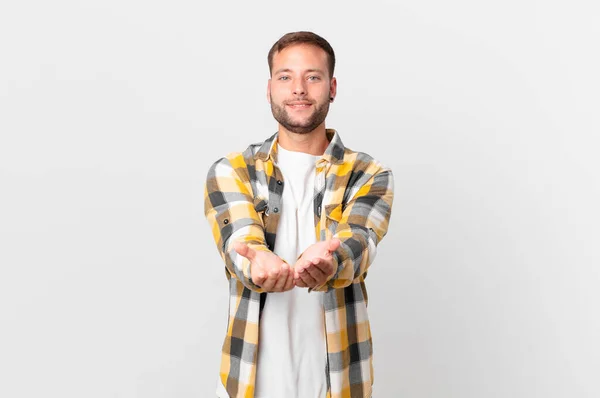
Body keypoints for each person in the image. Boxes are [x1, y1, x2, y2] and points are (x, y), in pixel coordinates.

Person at [204, 31, 394, 398]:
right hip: (248, 384)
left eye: (313, 76)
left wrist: (333, 260)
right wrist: (256, 262)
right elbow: (240, 240)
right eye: (286, 77)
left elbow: (360, 239)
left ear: (332, 87)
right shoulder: (232, 170)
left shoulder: (368, 173)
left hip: (339, 383)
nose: (299, 89)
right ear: (270, 88)